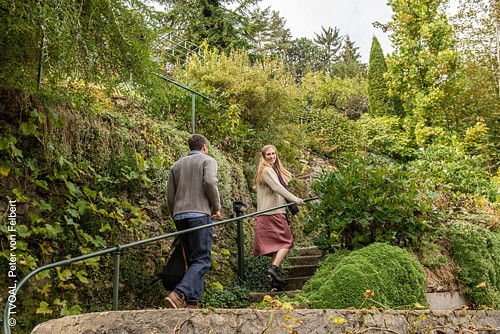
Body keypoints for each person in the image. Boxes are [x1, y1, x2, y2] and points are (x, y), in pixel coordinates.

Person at [165, 134, 221, 309]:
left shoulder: (176, 165)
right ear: (204, 147)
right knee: (203, 260)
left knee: (192, 261)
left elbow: (169, 196)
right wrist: (216, 206)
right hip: (199, 214)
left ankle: (193, 303)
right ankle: (178, 294)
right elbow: (210, 182)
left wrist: (175, 214)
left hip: (180, 216)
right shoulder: (208, 161)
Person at [252, 144, 304, 290]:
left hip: (266, 214)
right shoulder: (267, 170)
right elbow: (277, 188)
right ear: (263, 157)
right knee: (287, 242)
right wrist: (295, 199)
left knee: (276, 248)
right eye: (268, 154)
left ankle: (274, 282)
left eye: (274, 154)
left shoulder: (268, 170)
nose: (272, 156)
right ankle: (273, 269)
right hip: (273, 213)